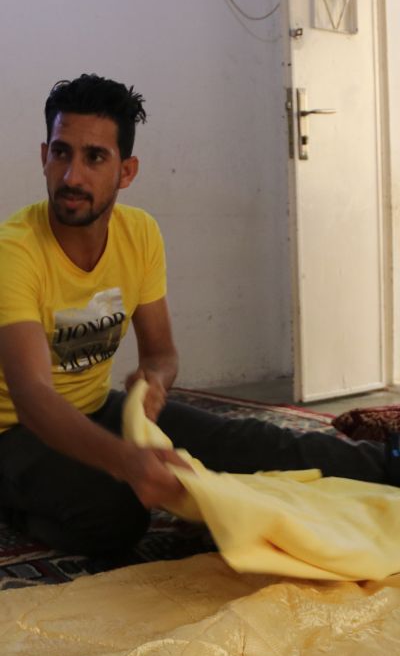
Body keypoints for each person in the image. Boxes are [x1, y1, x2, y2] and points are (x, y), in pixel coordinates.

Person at [0, 74, 395, 566]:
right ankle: (15, 501)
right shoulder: (14, 251)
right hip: (15, 432)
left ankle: (388, 463)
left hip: (98, 406)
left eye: (94, 157)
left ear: (126, 171)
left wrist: (156, 381)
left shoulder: (139, 234)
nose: (72, 176)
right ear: (44, 156)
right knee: (116, 515)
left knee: (248, 439)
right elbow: (34, 399)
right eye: (61, 153)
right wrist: (125, 460)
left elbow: (161, 354)